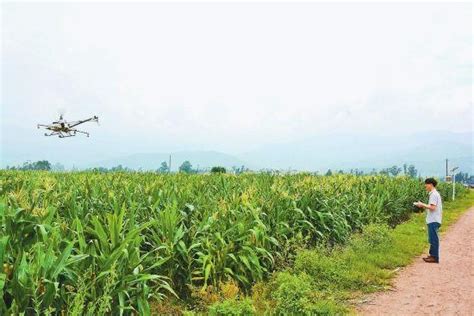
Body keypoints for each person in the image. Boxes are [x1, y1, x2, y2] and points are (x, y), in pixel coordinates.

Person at [415, 178, 442, 263]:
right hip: (434, 219)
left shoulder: (434, 194)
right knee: (432, 238)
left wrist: (421, 204)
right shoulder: (434, 194)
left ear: (430, 184)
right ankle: (432, 255)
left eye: (426, 184)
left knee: (433, 239)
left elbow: (433, 207)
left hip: (433, 220)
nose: (425, 186)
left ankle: (434, 257)